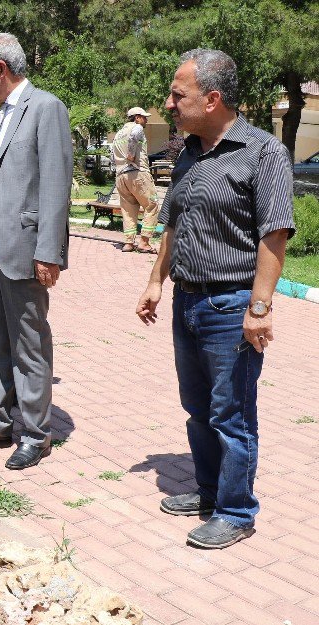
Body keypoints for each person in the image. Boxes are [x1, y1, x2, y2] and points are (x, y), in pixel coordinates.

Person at [135, 49, 294, 549]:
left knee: (232, 413)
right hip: (188, 300)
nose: (170, 104)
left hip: (232, 306)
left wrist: (260, 308)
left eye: (178, 96)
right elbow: (174, 223)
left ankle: (236, 510)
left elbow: (275, 235)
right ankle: (208, 492)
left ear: (213, 98)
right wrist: (155, 281)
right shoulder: (188, 151)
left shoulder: (262, 152)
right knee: (197, 406)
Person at [0, 33, 72, 470]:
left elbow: (57, 185)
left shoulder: (45, 108)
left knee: (28, 342)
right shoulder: (2, 113)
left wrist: (49, 252)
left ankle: (36, 433)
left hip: (24, 249)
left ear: (1, 69)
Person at [110, 107, 160, 253]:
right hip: (137, 173)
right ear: (137, 117)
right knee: (152, 205)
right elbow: (133, 137)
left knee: (128, 209)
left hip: (121, 177)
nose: (146, 120)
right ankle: (144, 242)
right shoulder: (137, 127)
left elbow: (112, 155)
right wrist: (131, 155)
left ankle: (128, 242)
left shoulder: (118, 134)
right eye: (144, 117)